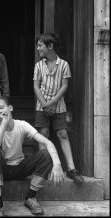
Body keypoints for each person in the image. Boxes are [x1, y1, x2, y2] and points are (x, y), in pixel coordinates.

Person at [0, 96, 65, 216]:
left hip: (20, 166)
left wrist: (57, 164)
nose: (0, 112)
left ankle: (31, 198)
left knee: (46, 154)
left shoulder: (21, 125)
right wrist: (3, 124)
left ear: (10, 108)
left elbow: (47, 142)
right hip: (3, 170)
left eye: (2, 108)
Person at [33, 33, 84, 183]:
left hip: (59, 106)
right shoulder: (38, 65)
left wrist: (53, 102)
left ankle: (71, 169)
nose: (38, 48)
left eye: (40, 45)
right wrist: (44, 103)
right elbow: (36, 86)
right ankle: (45, 168)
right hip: (42, 106)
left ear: (50, 46)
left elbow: (64, 86)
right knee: (43, 134)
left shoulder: (64, 64)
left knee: (62, 133)